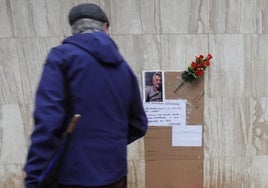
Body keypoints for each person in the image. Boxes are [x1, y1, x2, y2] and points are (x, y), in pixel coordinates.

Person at [24, 3, 148, 188]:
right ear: (105, 27)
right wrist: (110, 144)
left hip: (73, 176)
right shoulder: (124, 70)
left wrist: (34, 177)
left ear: (73, 28)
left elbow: (48, 122)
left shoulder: (61, 58)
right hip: (116, 175)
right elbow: (139, 125)